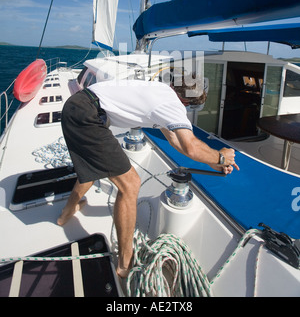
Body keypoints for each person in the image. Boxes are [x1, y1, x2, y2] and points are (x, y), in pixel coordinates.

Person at [57, 78, 238, 278]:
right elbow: (191, 146)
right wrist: (221, 156)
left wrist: (212, 162)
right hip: (88, 116)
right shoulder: (172, 104)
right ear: (187, 104)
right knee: (131, 184)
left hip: (77, 107)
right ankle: (125, 263)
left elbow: (176, 141)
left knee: (95, 163)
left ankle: (67, 211)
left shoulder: (160, 91)